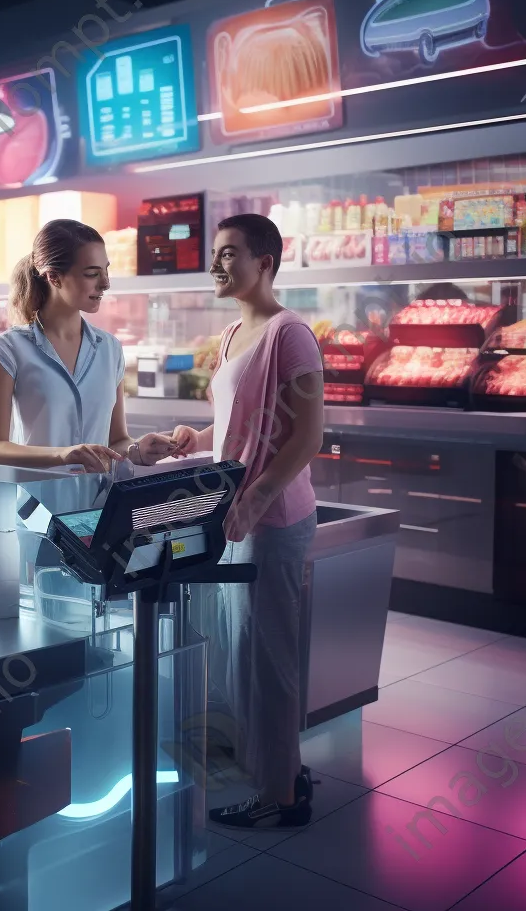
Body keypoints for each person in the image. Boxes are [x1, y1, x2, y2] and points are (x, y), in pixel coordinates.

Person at [171, 213, 324, 829]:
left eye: (230, 252)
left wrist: (258, 496)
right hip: (239, 514)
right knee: (244, 653)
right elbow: (242, 427)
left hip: (275, 518)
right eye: (216, 252)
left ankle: (283, 799)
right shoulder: (235, 331)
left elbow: (307, 434)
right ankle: (275, 770)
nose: (218, 263)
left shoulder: (291, 335)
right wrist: (194, 437)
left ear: (265, 262)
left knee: (271, 660)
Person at [0, 219, 176, 472]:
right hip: (36, 503)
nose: (105, 283)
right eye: (92, 274)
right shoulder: (11, 348)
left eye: (106, 271)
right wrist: (63, 455)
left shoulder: (110, 349)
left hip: (98, 502)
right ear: (53, 276)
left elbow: (116, 440)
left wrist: (137, 449)